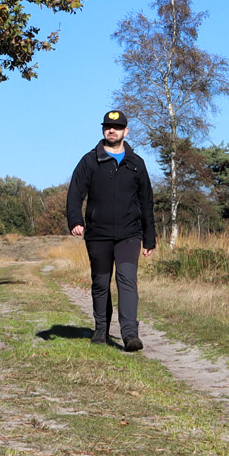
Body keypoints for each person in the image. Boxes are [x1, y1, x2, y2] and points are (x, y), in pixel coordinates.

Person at [65, 109, 157, 351]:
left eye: (116, 127)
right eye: (107, 126)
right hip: (98, 234)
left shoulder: (136, 164)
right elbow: (75, 194)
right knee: (101, 283)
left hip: (130, 234)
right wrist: (76, 220)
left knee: (127, 280)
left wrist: (149, 238)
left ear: (126, 131)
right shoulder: (89, 161)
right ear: (103, 130)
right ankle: (101, 329)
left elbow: (146, 201)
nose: (111, 130)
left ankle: (130, 334)